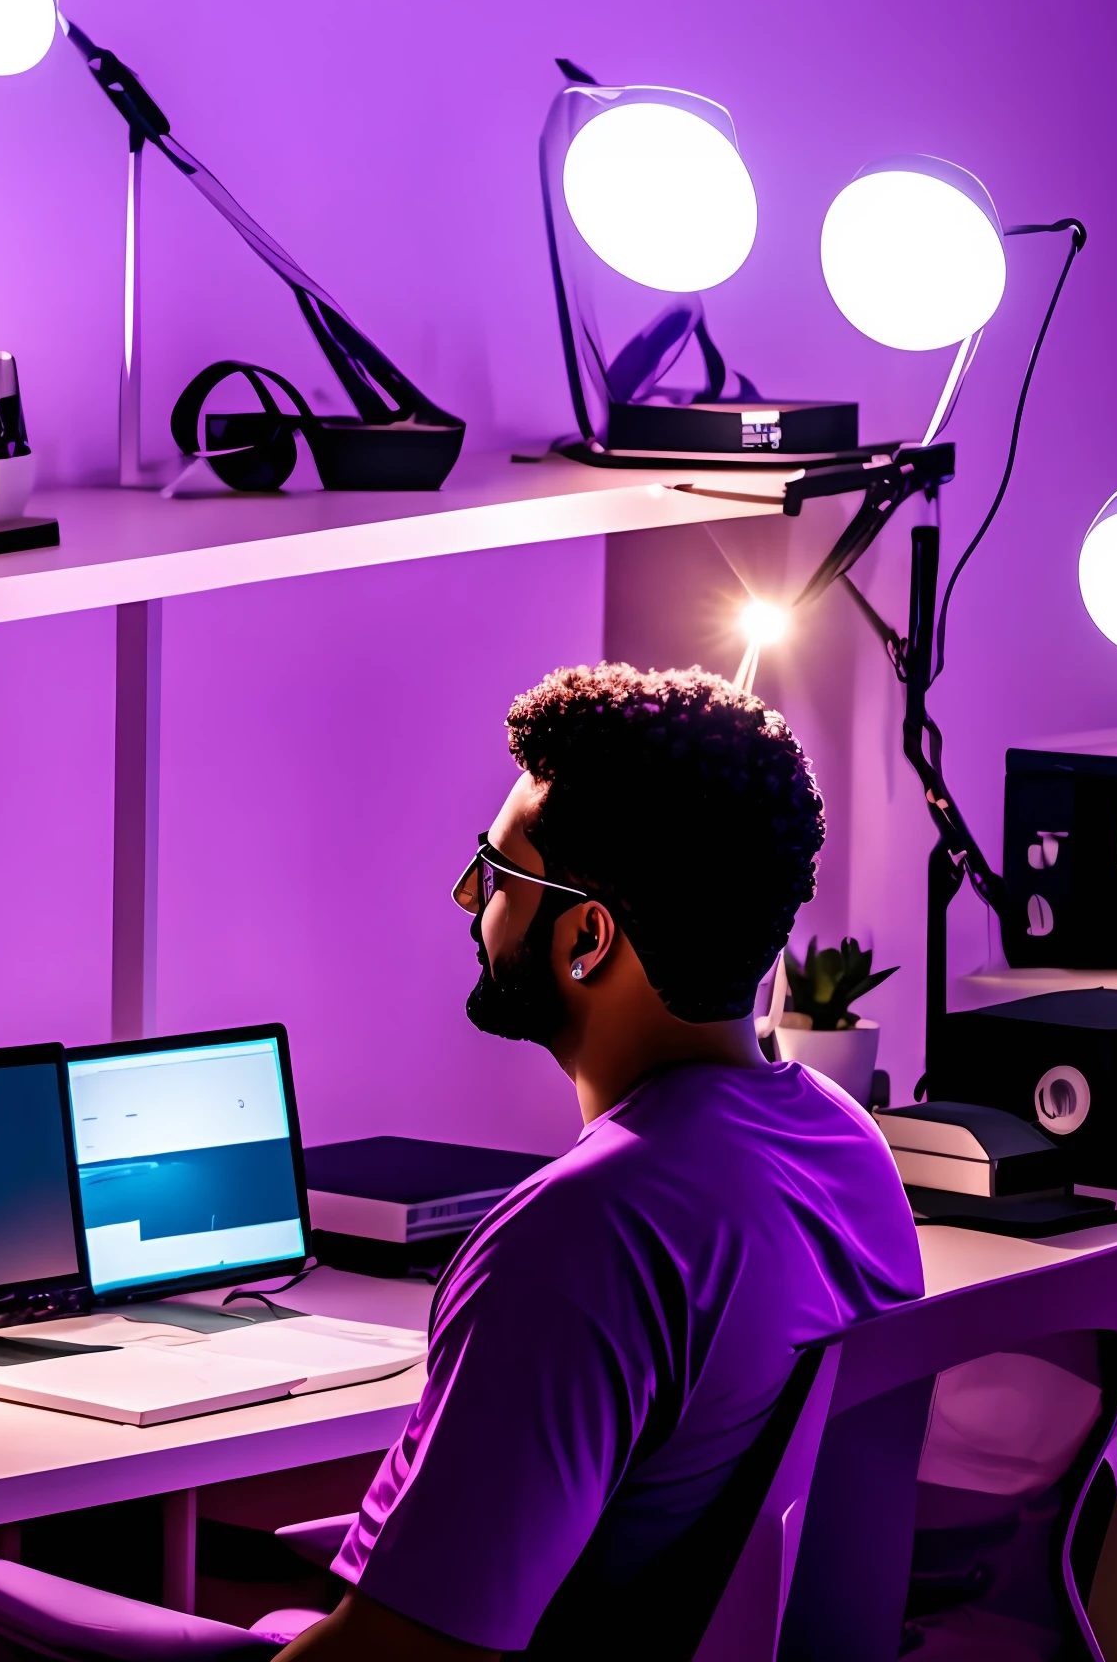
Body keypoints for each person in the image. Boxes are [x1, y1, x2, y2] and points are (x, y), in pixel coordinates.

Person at [283, 664, 922, 1662]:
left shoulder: (581, 1233)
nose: (464, 896)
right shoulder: (845, 1142)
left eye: (495, 874)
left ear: (585, 937)